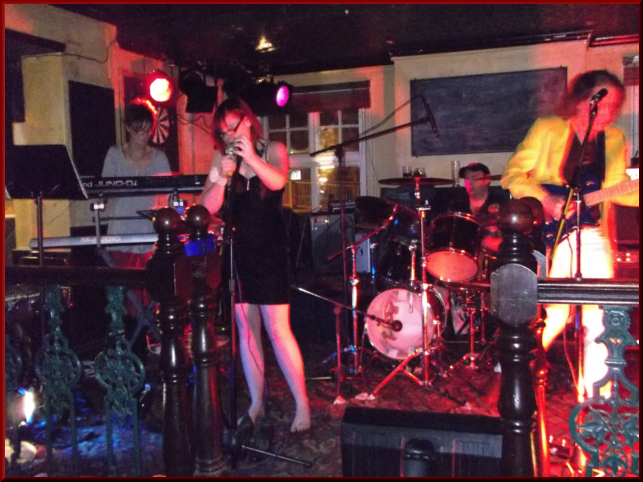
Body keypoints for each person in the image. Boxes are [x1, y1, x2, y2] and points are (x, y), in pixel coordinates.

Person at [501, 69, 639, 398]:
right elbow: (512, 174)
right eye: (603, 104)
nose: (609, 112)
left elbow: (616, 188)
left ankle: (596, 394)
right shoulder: (547, 128)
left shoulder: (615, 138)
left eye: (614, 106)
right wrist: (545, 199)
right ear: (582, 100)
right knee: (553, 312)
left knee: (601, 311)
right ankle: (511, 374)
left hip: (590, 231)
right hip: (550, 231)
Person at [200, 97, 311, 433]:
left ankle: (302, 404)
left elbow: (278, 181)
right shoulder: (222, 158)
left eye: (232, 128)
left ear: (247, 122)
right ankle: (256, 403)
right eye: (223, 132)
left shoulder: (273, 149)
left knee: (277, 329)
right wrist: (222, 177)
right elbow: (206, 207)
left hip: (271, 250)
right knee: (247, 330)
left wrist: (249, 157)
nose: (228, 136)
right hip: (238, 253)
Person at [102, 98, 171, 269]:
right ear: (128, 128)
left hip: (149, 233)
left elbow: (170, 195)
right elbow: (104, 191)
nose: (144, 135)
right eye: (139, 130)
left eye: (147, 130)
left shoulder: (159, 158)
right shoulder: (114, 155)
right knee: (122, 283)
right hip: (120, 231)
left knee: (149, 282)